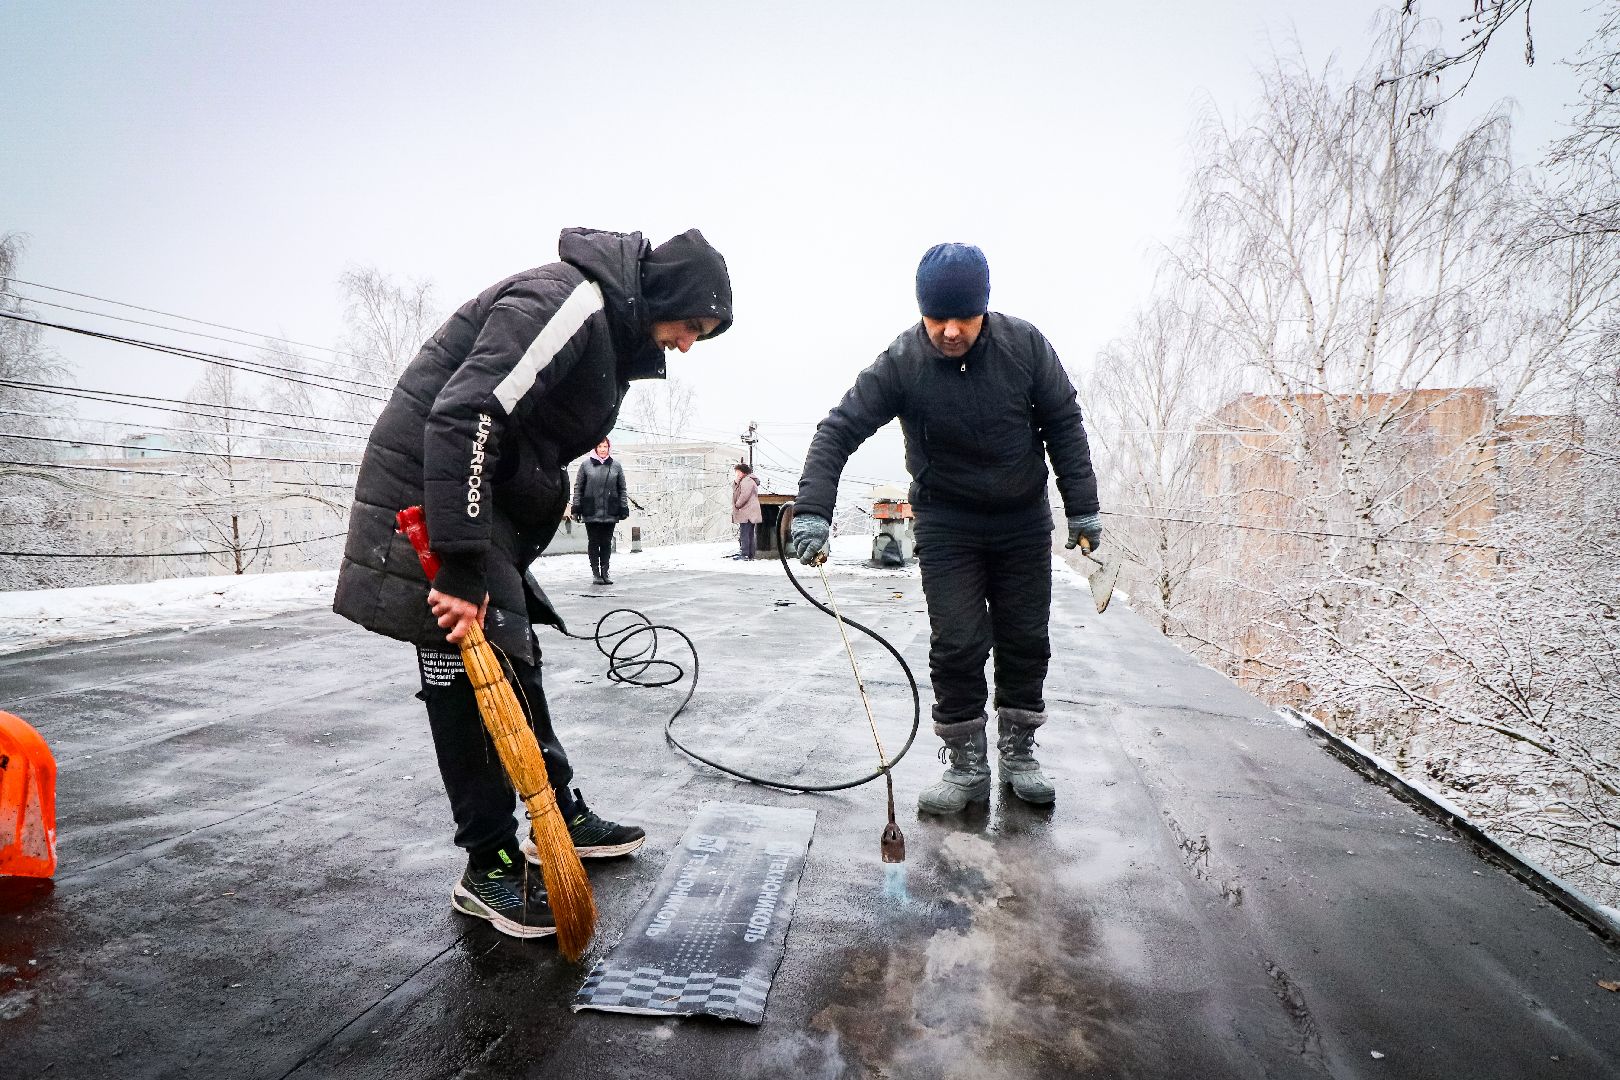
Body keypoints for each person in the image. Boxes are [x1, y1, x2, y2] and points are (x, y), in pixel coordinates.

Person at [333, 227, 732, 938]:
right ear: (666, 294)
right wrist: (457, 558)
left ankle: (558, 812)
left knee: (512, 658)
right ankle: (486, 864)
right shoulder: (569, 302)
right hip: (429, 497)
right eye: (691, 325)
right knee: (467, 675)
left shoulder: (604, 326)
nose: (687, 344)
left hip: (473, 503)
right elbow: (467, 413)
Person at [789, 243, 1100, 814]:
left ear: (985, 309)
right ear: (921, 311)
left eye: (965, 317)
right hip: (948, 520)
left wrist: (1083, 506)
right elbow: (838, 429)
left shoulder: (1025, 346)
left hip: (1021, 519)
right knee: (957, 641)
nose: (951, 330)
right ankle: (965, 765)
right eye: (938, 318)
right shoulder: (903, 360)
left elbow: (1064, 423)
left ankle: (1019, 751)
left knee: (1025, 637)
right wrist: (813, 509)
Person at [571, 438, 629, 584]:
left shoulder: (616, 466)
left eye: (605, 446)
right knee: (594, 542)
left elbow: (622, 489)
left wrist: (623, 507)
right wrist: (576, 508)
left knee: (606, 542)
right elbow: (578, 488)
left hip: (610, 510)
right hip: (591, 510)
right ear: (595, 448)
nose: (603, 449)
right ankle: (596, 573)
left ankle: (605, 572)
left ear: (609, 448)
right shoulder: (586, 465)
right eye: (600, 446)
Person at [731, 462, 762, 560]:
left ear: (743, 472)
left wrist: (737, 504)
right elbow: (736, 489)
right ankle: (749, 554)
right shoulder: (745, 480)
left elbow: (744, 495)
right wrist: (736, 481)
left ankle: (745, 553)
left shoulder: (747, 480)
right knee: (748, 533)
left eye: (738, 472)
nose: (737, 474)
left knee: (745, 533)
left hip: (747, 512)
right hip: (748, 511)